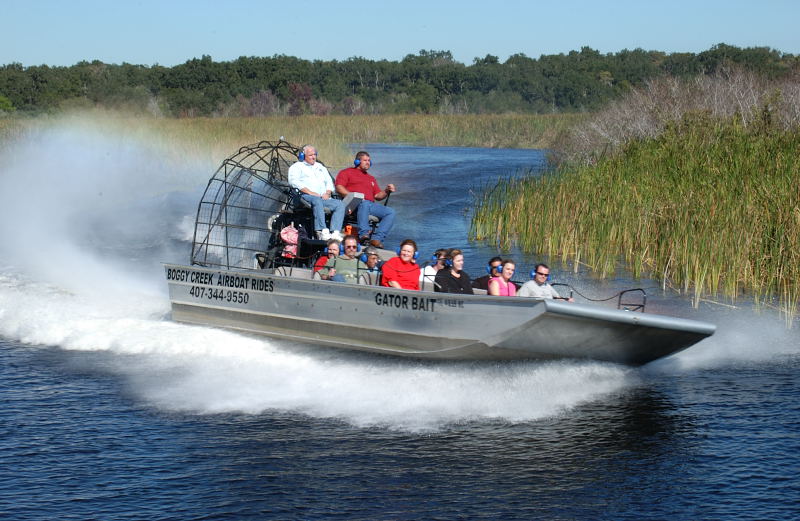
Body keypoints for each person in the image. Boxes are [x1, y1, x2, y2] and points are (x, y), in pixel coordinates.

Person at [335, 151, 396, 248]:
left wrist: (387, 190)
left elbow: (378, 196)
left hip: (369, 205)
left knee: (390, 212)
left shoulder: (371, 178)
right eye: (365, 160)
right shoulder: (346, 172)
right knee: (364, 203)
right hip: (353, 205)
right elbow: (339, 187)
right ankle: (364, 234)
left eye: (369, 161)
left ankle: (376, 239)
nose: (368, 162)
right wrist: (355, 196)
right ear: (357, 161)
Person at [288, 144, 345, 240]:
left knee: (339, 204)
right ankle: (322, 230)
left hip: (323, 197)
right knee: (317, 200)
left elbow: (329, 182)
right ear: (302, 155)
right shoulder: (297, 167)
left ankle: (335, 232)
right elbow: (294, 182)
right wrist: (310, 192)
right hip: (305, 196)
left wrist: (328, 193)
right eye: (310, 155)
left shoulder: (320, 167)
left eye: (315, 154)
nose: (313, 157)